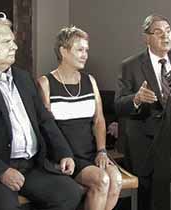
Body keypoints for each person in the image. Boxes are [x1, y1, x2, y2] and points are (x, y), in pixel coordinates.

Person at [0, 18, 83, 210]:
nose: (15, 47)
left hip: (31, 166)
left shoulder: (23, 77)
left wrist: (63, 152)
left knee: (70, 193)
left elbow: (44, 119)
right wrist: (1, 171)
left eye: (14, 41)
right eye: (6, 42)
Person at [37, 26, 122, 210]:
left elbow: (99, 120)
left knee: (116, 179)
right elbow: (46, 127)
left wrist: (101, 150)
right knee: (102, 180)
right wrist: (64, 155)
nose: (85, 55)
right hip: (65, 155)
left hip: (91, 152)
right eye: (80, 50)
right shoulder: (45, 83)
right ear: (63, 51)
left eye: (86, 50)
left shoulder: (90, 80)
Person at [115, 14, 171, 210]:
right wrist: (137, 98)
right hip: (144, 140)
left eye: (168, 31)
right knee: (145, 194)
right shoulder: (130, 65)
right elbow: (118, 105)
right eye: (158, 33)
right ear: (146, 38)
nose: (165, 36)